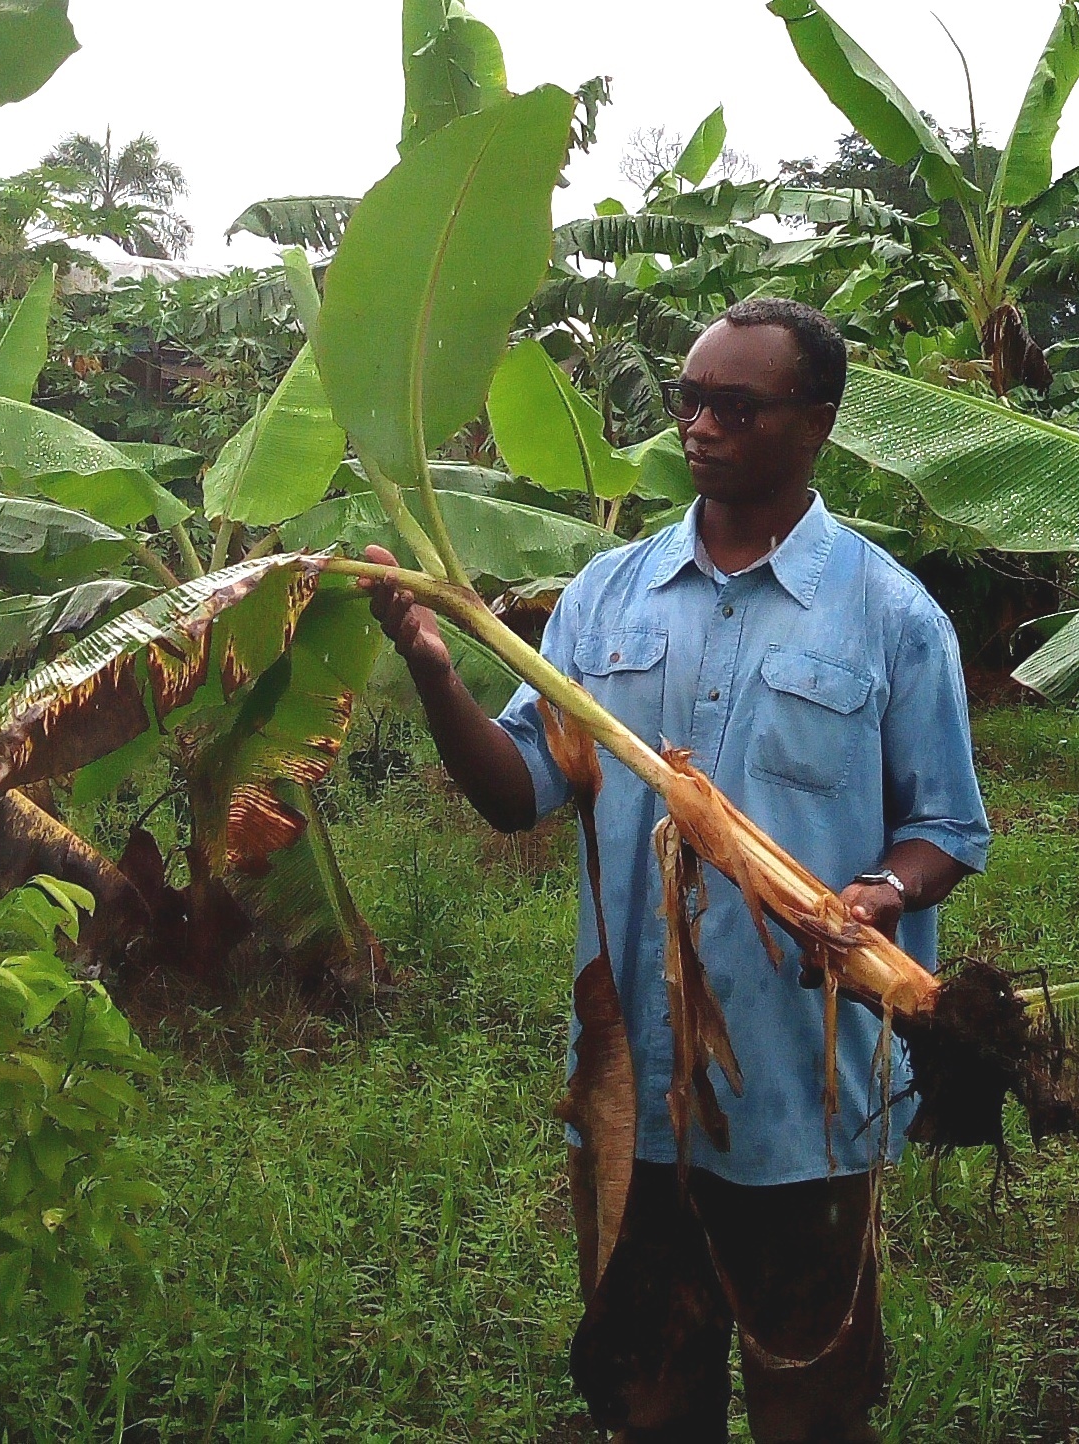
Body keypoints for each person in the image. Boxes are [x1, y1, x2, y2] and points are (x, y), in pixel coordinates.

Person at [361, 297, 990, 1443]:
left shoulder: (891, 617)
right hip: (627, 1096)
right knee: (648, 1402)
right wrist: (433, 675)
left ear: (815, 424)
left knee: (811, 1405)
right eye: (686, 399)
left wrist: (879, 896)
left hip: (808, 1101)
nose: (698, 424)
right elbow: (518, 792)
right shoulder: (604, 595)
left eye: (732, 404)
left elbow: (946, 826)